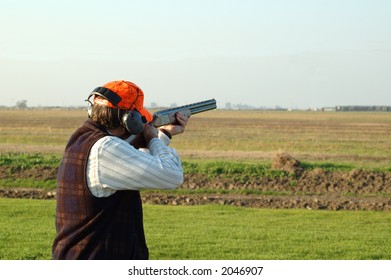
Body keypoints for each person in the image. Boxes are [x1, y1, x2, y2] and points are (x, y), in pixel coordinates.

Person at [52, 80, 188, 260]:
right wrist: (153, 139)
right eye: (139, 118)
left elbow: (136, 164)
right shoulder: (106, 148)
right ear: (129, 119)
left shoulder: (84, 139)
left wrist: (165, 134)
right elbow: (173, 175)